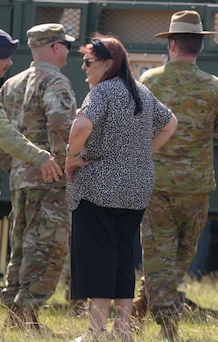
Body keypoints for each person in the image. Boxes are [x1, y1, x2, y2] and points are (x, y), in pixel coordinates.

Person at [65, 34, 177, 341]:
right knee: (124, 258)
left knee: (99, 258)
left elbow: (81, 126)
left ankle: (96, 332)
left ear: (108, 63)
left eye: (88, 62)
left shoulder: (102, 92)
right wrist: (140, 153)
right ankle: (123, 332)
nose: (84, 68)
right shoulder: (142, 92)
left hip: (99, 188)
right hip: (137, 187)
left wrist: (71, 158)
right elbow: (171, 123)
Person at [135, 10, 218, 340]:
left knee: (156, 253)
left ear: (172, 44)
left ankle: (146, 302)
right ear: (200, 47)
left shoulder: (149, 81)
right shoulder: (213, 86)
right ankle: (168, 324)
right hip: (195, 187)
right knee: (181, 254)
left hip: (155, 183)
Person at [0, 23, 77, 332]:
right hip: (49, 178)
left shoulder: (12, 83)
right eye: (67, 45)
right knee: (48, 246)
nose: (69, 51)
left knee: (21, 245)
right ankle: (26, 316)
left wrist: (13, 165)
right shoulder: (56, 81)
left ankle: (16, 316)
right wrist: (63, 163)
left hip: (20, 178)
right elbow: (59, 121)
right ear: (56, 47)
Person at [0, 27, 61, 280]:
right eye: (4, 57)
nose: (10, 63)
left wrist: (16, 166)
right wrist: (41, 158)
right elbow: (2, 133)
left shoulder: (3, 87)